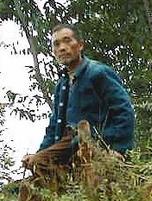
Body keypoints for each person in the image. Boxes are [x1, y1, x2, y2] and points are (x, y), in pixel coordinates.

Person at [22, 24, 135, 171]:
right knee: (33, 168)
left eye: (67, 40)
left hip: (93, 145)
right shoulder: (61, 85)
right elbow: (54, 126)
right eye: (56, 44)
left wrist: (118, 149)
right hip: (67, 149)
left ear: (80, 45)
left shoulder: (98, 72)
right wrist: (40, 153)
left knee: (38, 162)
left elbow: (123, 110)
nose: (62, 47)